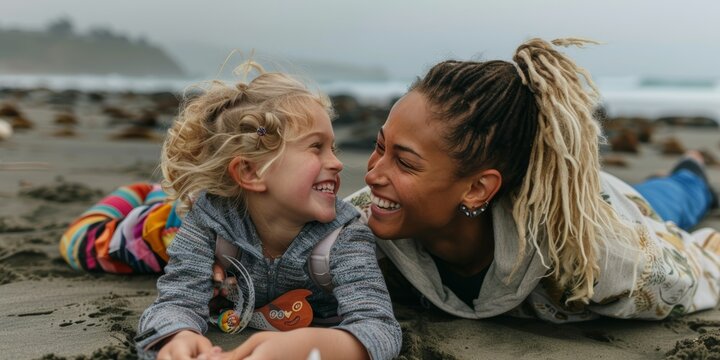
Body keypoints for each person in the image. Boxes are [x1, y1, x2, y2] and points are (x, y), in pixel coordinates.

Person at [342, 37, 720, 322]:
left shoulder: (599, 261)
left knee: (672, 199)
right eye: (380, 145)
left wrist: (706, 250)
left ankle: (692, 169)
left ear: (476, 189)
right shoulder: (357, 224)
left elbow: (698, 271)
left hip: (610, 211)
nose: (373, 173)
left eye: (405, 163)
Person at [60, 62, 401, 359]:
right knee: (83, 243)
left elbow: (379, 327)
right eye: (316, 147)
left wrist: (313, 347)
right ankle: (137, 194)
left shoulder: (345, 236)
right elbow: (175, 303)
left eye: (333, 146)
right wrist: (177, 336)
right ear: (251, 172)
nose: (338, 163)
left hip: (227, 203)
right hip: (172, 226)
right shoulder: (207, 226)